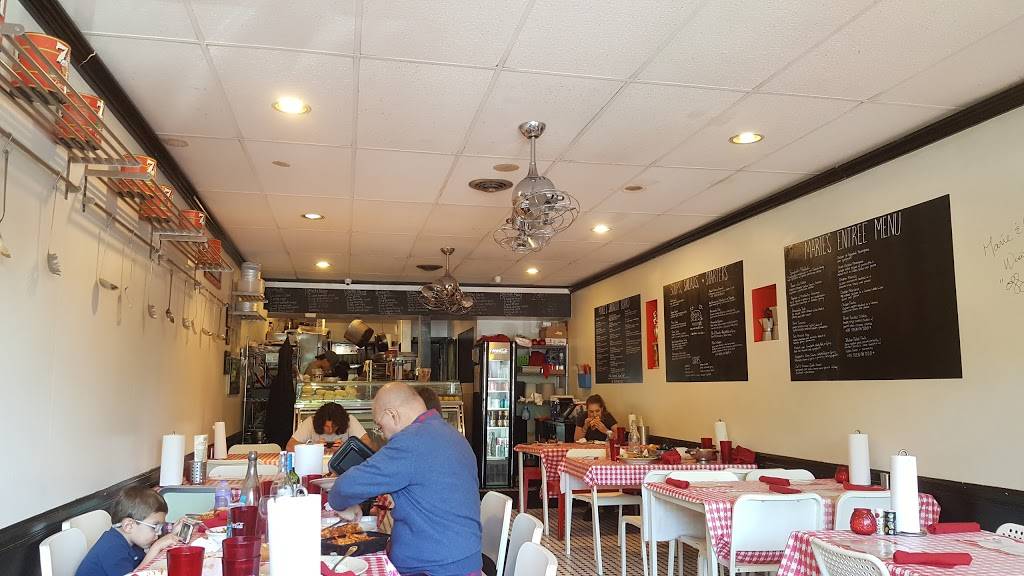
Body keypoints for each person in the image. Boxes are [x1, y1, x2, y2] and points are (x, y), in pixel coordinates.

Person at [328, 382, 481, 576]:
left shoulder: (412, 440)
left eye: (380, 426)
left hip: (433, 568)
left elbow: (344, 487)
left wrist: (344, 505)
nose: (383, 434)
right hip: (464, 560)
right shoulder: (453, 435)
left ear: (392, 415)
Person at [75, 487, 181, 576]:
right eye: (155, 527)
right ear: (128, 526)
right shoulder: (112, 549)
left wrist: (172, 533)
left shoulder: (131, 539)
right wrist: (156, 548)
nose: (158, 533)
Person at [286, 401, 375, 452]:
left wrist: (346, 447)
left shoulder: (350, 420)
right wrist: (313, 447)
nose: (330, 430)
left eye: (335, 426)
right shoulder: (310, 422)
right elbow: (289, 446)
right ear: (320, 423)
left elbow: (369, 445)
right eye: (326, 426)